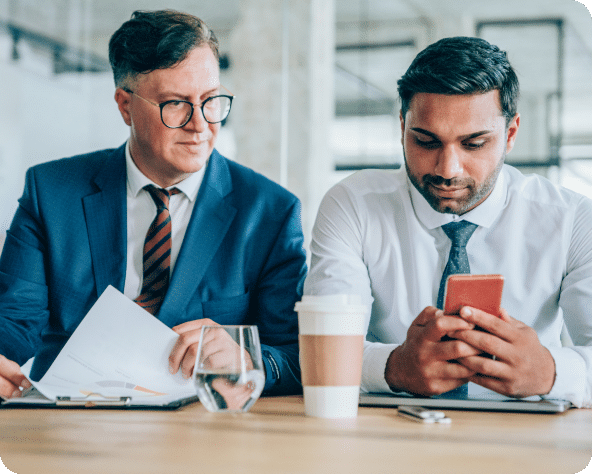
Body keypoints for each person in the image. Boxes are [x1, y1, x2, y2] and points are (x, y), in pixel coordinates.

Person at [0, 9, 306, 400]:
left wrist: (246, 357)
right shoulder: (51, 193)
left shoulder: (269, 213)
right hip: (73, 425)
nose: (201, 125)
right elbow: (14, 321)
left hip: (203, 432)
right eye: (176, 104)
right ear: (125, 106)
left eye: (211, 100)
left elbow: (299, 356)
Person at [304, 36, 592, 407]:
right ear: (402, 128)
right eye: (425, 141)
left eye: (474, 144)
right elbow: (322, 351)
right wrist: (393, 367)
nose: (447, 170)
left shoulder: (572, 220)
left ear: (511, 134)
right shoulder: (352, 205)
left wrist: (551, 373)